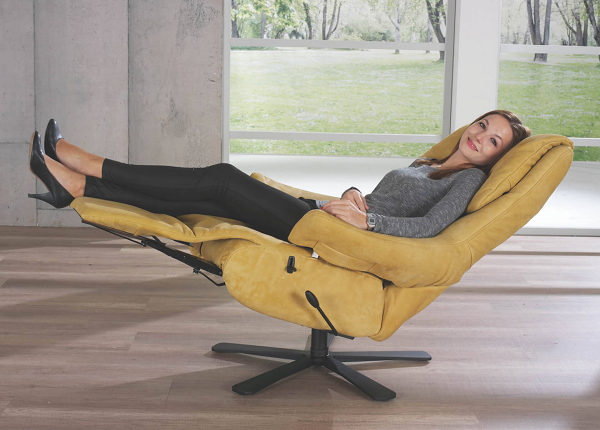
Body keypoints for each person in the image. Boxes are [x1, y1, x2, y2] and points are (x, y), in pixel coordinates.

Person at [28, 110, 530, 242]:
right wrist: (355, 193)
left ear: (495, 158)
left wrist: (368, 223)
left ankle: (89, 163)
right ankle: (80, 187)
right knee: (209, 203)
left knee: (223, 179)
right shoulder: (431, 165)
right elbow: (380, 198)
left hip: (333, 237)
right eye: (483, 126)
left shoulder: (467, 182)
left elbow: (431, 227)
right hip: (323, 217)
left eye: (494, 142)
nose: (480, 137)